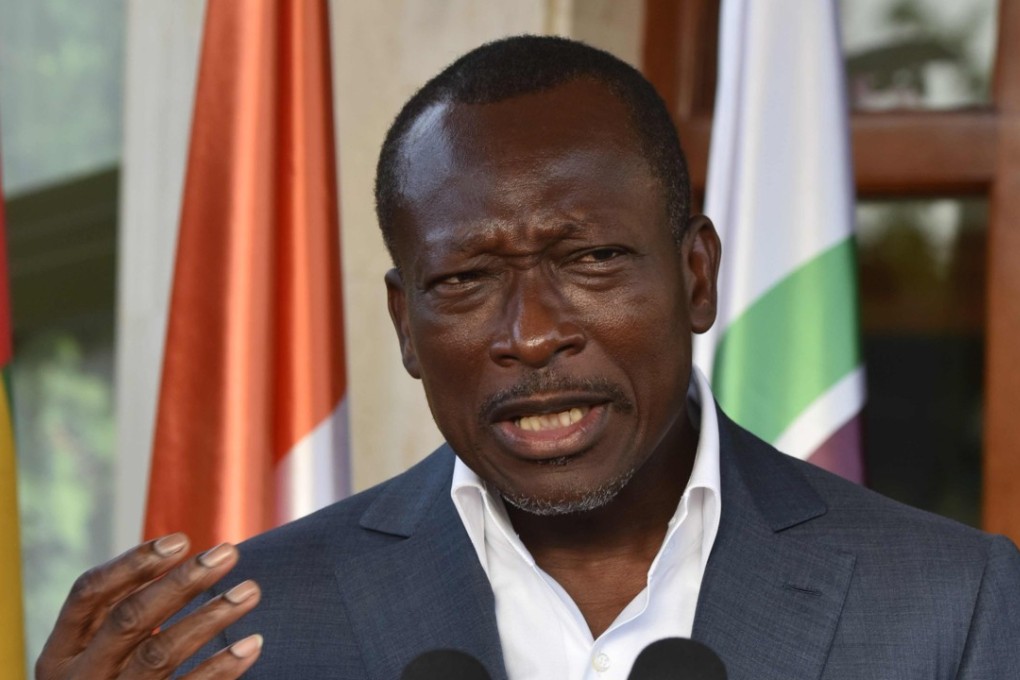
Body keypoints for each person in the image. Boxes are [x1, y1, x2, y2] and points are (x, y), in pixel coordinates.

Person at [37, 36, 1020, 680]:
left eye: (590, 258)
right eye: (465, 281)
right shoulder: (241, 636)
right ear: (405, 323)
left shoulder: (948, 605)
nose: (531, 332)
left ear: (698, 275)